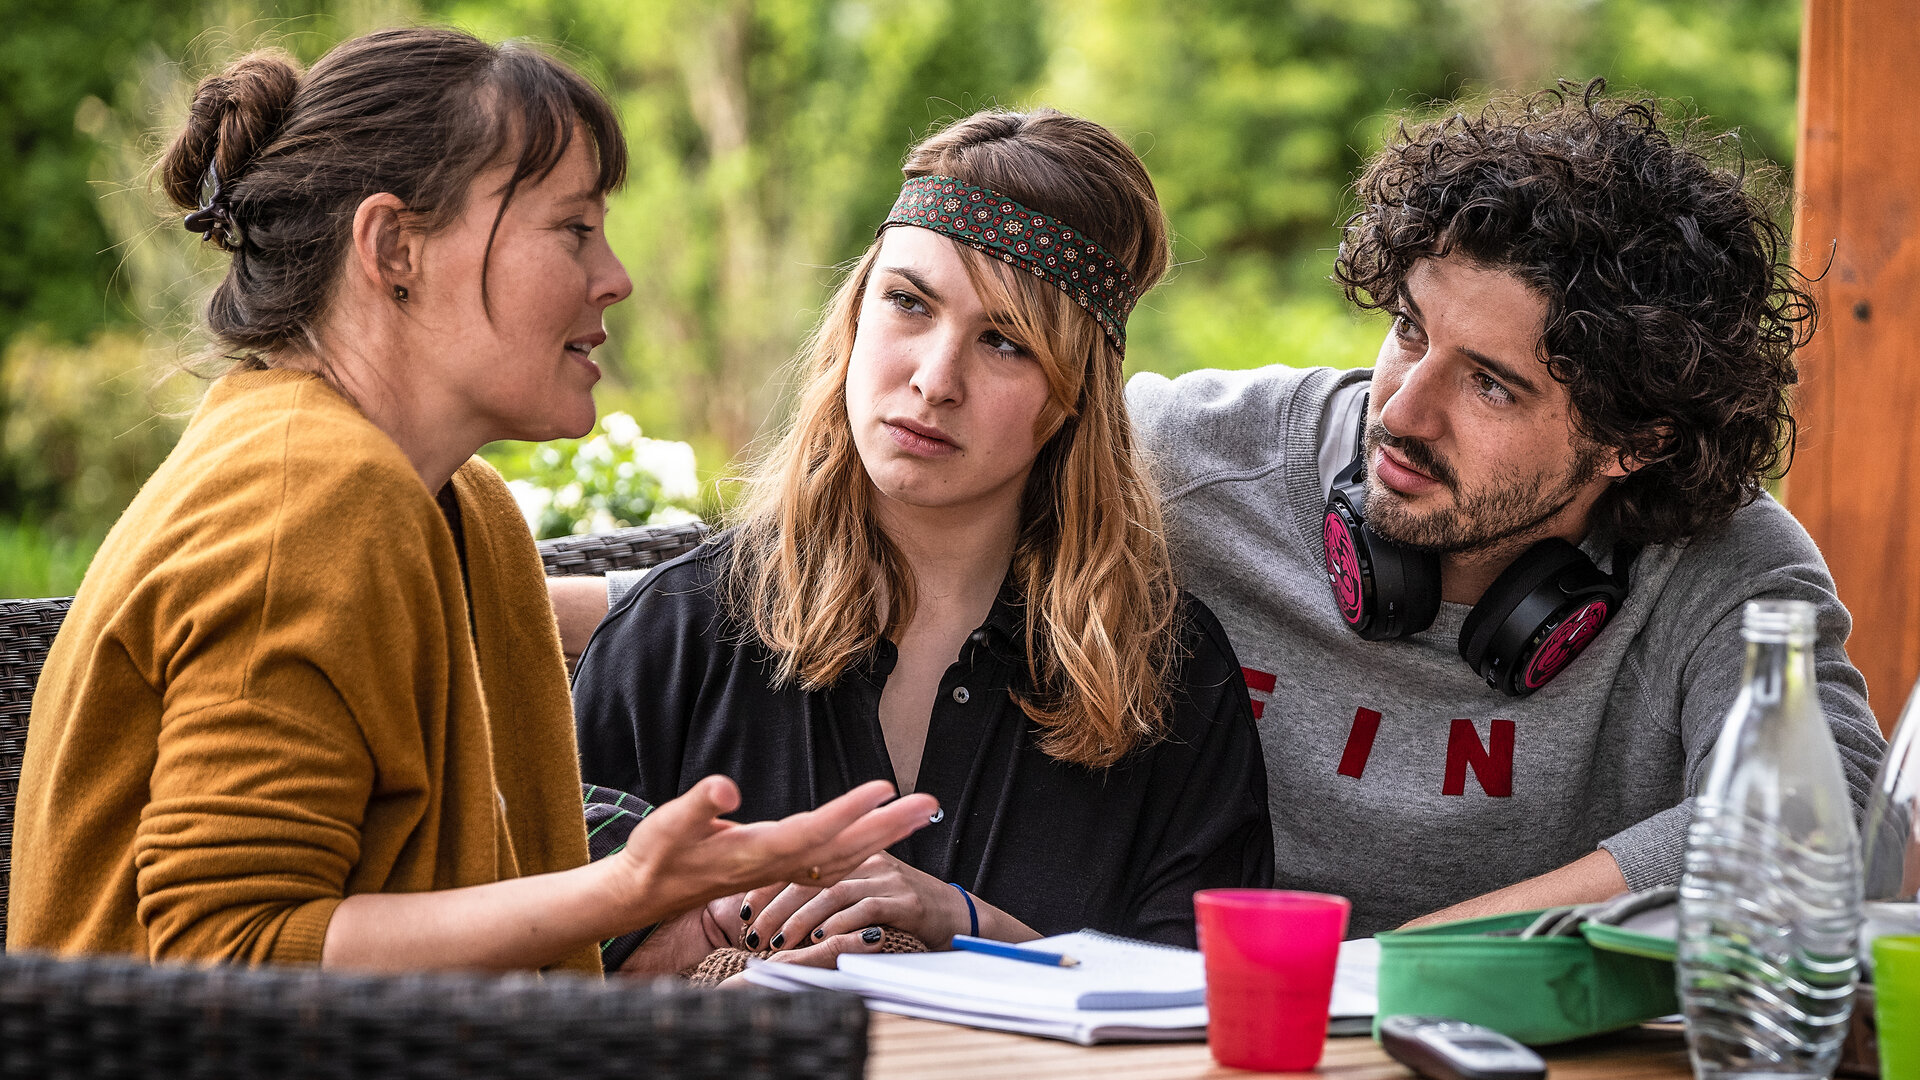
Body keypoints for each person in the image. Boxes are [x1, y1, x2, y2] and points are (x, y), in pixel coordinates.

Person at [8, 27, 936, 971]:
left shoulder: (462, 506)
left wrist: (673, 945)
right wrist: (620, 891)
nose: (615, 279)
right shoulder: (309, 502)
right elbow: (227, 959)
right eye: (573, 229)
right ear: (395, 249)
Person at [1124, 81, 1888, 937]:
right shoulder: (1184, 459)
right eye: (1410, 330)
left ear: (1634, 442)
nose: (1401, 412)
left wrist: (1399, 966)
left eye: (1490, 384)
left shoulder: (1727, 568)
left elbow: (1826, 812)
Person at [569, 107, 1273, 962]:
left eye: (1005, 342)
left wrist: (966, 925)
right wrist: (692, 949)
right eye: (908, 302)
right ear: (855, 317)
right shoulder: (673, 634)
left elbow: (1206, 1005)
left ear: (1073, 397)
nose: (936, 380)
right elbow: (531, 958)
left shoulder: (1171, 681)